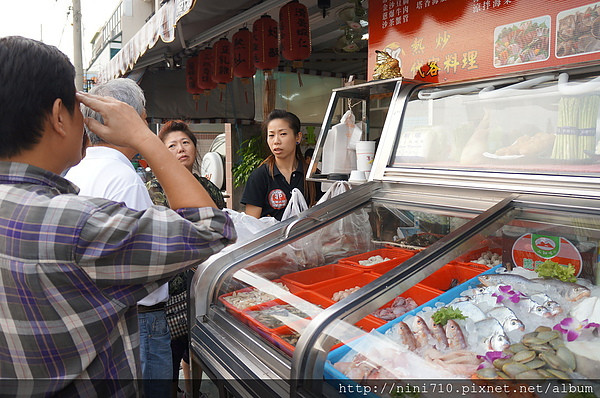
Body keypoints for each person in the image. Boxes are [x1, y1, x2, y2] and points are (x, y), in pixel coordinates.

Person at [0, 36, 236, 397]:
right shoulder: (77, 223)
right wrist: (144, 136)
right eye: (80, 106)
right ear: (59, 116)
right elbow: (211, 227)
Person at [64, 78, 172, 398]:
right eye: (143, 116)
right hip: (139, 319)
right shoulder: (124, 178)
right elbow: (151, 262)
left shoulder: (74, 170)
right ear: (131, 119)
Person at [145, 120, 225, 398]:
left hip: (205, 280)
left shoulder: (209, 188)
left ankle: (194, 392)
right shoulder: (155, 188)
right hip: (173, 289)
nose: (180, 149)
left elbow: (223, 225)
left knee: (200, 345)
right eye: (172, 145)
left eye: (186, 143)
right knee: (172, 351)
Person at [241, 109, 319, 221]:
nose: (276, 141)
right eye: (271, 135)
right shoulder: (259, 176)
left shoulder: (312, 174)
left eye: (283, 134)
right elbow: (251, 224)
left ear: (298, 137)